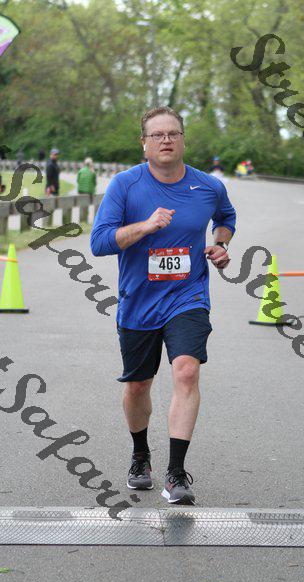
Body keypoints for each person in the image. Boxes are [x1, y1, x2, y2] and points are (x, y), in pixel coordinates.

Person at [90, 106, 236, 505]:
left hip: (188, 297)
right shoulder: (125, 185)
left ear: (183, 139)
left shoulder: (208, 186)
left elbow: (226, 217)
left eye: (173, 133)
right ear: (144, 144)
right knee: (138, 384)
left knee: (186, 372)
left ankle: (176, 473)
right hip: (139, 302)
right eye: (157, 135)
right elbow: (99, 242)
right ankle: (140, 455)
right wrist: (146, 226)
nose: (166, 140)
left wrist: (220, 244)